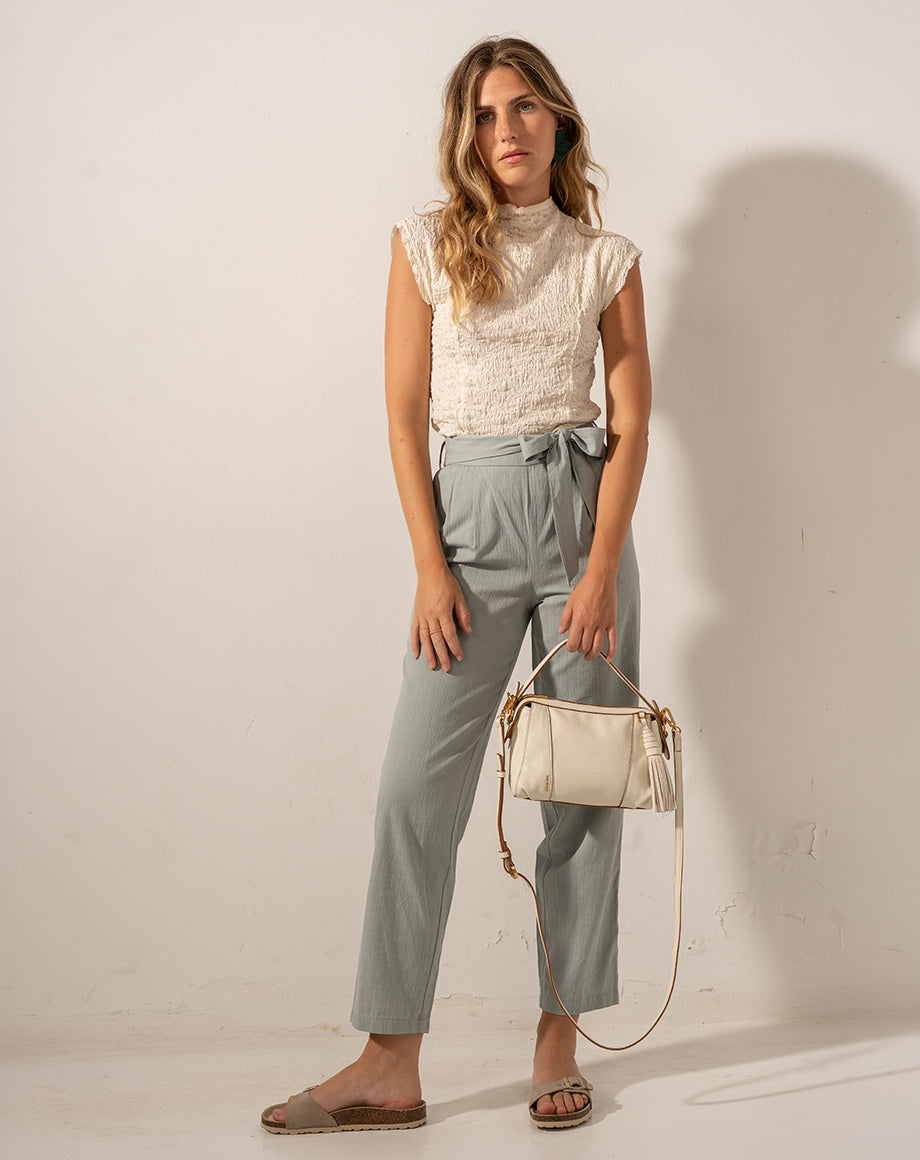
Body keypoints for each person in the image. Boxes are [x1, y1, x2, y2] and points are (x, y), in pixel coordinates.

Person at [261, 34, 652, 1134]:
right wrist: (429, 564)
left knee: (582, 787)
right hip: (467, 525)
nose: (505, 129)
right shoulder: (427, 244)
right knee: (411, 793)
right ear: (464, 135)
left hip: (581, 519)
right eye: (484, 114)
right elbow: (402, 415)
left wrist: (601, 569)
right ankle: (390, 1058)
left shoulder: (605, 256)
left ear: (558, 121)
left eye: (524, 107)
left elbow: (632, 419)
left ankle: (557, 1037)